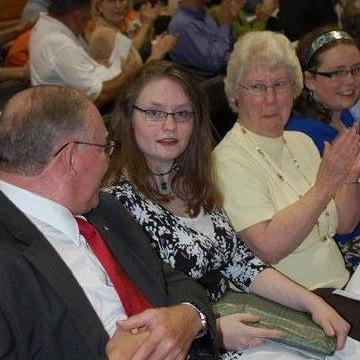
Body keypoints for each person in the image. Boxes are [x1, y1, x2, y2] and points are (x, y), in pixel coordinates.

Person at [104, 60, 350, 357]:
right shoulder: (114, 203)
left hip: (237, 318)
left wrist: (312, 303)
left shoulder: (192, 180)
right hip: (193, 346)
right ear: (130, 117)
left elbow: (242, 262)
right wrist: (213, 330)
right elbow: (134, 307)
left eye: (182, 113)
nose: (170, 125)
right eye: (154, 113)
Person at [0, 85, 218, 360]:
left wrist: (188, 317)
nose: (108, 161)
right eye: (105, 147)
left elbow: (172, 281)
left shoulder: (105, 210)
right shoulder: (8, 258)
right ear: (72, 158)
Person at [213, 31, 360, 336]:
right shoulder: (228, 159)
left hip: (339, 286)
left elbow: (344, 225)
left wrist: (350, 176)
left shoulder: (301, 142)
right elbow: (269, 247)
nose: (270, 99)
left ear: (294, 89)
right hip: (294, 307)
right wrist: (325, 186)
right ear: (235, 96)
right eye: (257, 87)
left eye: (280, 85)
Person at [285, 27, 360, 271]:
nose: (350, 81)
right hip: (341, 251)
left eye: (356, 70)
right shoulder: (306, 135)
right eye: (337, 73)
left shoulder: (342, 115)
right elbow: (339, 225)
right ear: (309, 80)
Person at [29, 0, 139, 108]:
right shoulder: (60, 44)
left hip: (99, 84)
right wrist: (126, 74)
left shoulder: (45, 25)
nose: (88, 22)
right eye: (88, 18)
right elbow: (100, 97)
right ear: (77, 17)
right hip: (92, 111)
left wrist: (94, 64)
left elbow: (66, 65)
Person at [88, 0, 177, 66]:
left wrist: (148, 26)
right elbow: (132, 60)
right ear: (99, 6)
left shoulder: (121, 22)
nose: (118, 5)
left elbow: (141, 46)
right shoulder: (102, 32)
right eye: (112, 1)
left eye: (122, 0)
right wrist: (146, 24)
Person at [167, 0, 237, 81]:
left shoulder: (203, 12)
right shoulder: (182, 24)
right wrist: (225, 25)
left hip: (224, 74)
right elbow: (213, 63)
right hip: (207, 86)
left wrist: (228, 24)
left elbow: (225, 46)